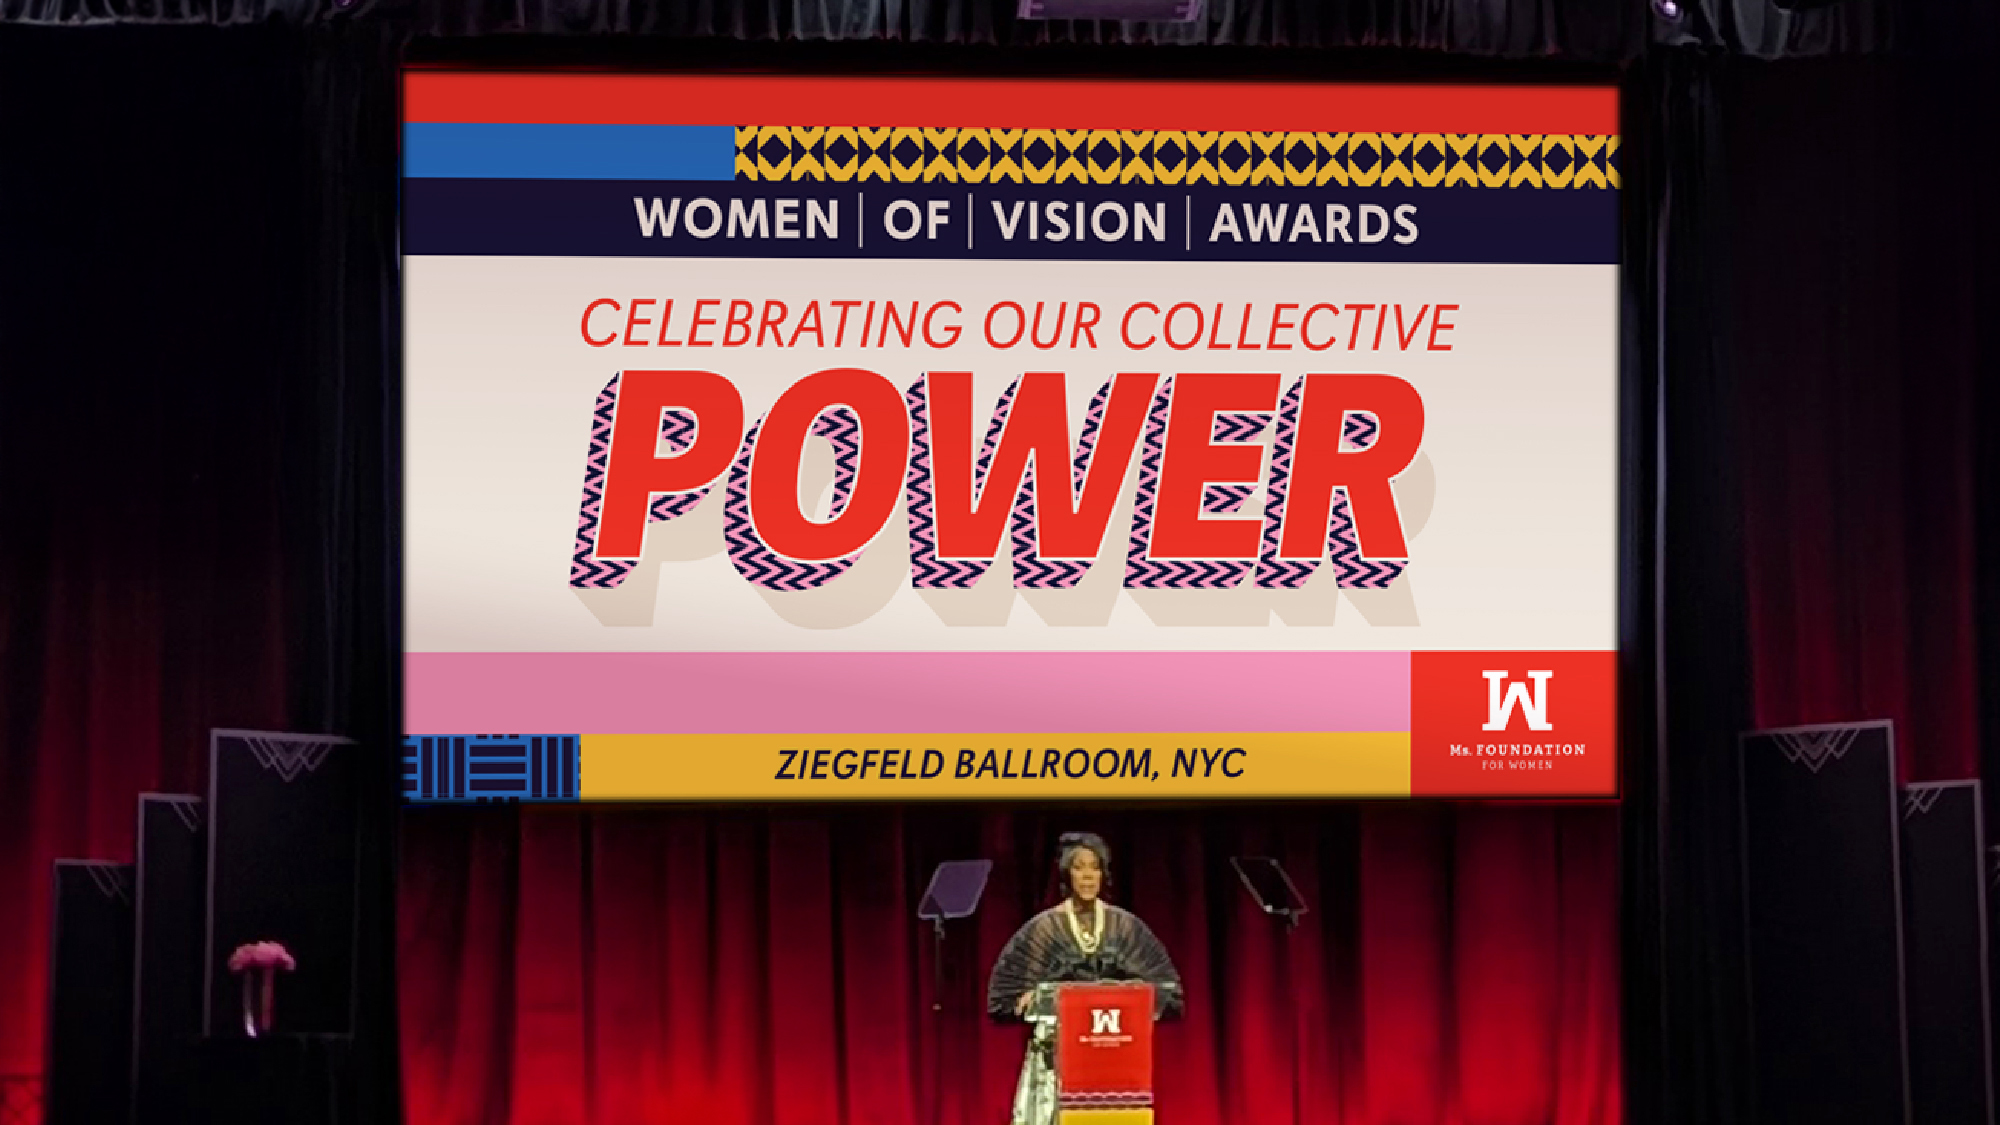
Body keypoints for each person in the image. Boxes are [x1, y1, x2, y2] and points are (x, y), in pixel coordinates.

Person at [986, 832, 1183, 1125]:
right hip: (1058, 1060)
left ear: (1103, 874)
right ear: (1067, 874)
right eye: (1079, 868)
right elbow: (1003, 1002)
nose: (1088, 876)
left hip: (1112, 1053)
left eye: (1095, 867)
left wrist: (1132, 993)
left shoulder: (1123, 926)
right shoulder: (1045, 928)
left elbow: (1168, 995)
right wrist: (1034, 999)